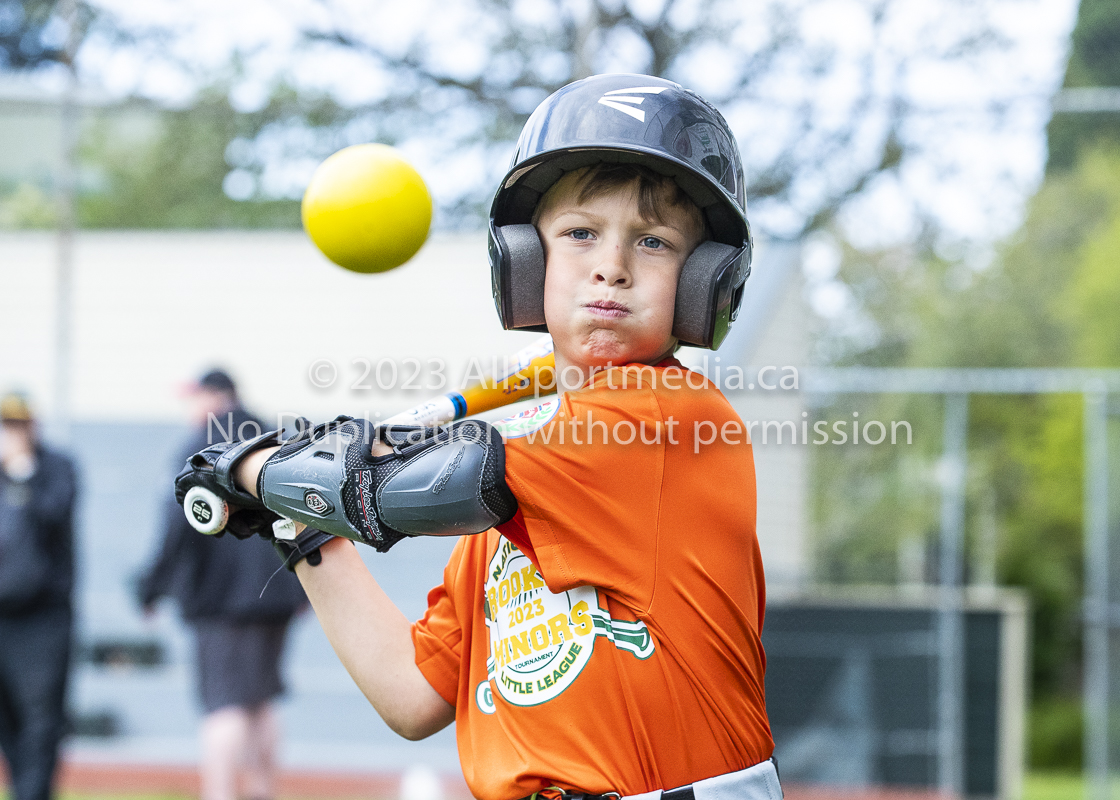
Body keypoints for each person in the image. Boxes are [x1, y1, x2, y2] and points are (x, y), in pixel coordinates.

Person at [176, 74, 779, 800]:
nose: (611, 266)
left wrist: (250, 469)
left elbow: (422, 485)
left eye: (652, 242)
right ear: (527, 261)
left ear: (704, 282)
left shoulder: (670, 415)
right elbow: (411, 694)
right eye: (580, 233)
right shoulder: (516, 493)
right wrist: (298, 523)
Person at [138, 370, 307, 800]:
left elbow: (176, 524)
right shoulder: (271, 438)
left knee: (224, 705)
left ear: (214, 397)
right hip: (280, 591)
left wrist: (150, 588)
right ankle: (264, 792)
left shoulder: (200, 447)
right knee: (261, 698)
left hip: (221, 601)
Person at [0, 392, 78, 800]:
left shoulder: (56, 469)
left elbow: (52, 516)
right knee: (8, 720)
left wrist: (22, 474)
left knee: (42, 719)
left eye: (17, 425)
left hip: (43, 618)